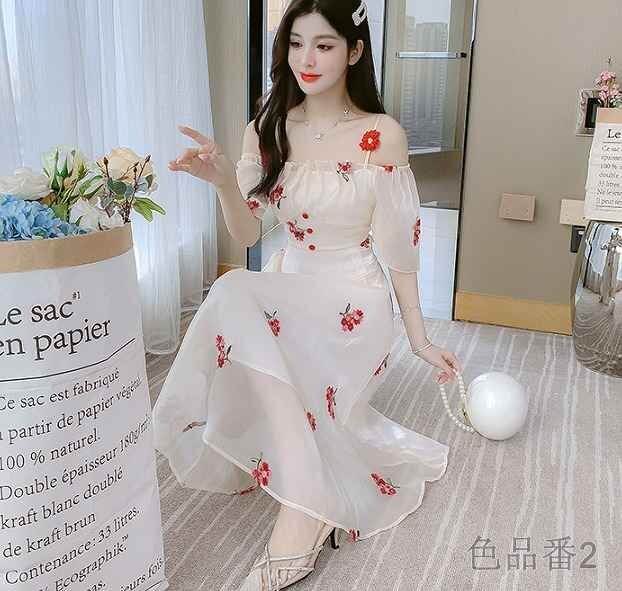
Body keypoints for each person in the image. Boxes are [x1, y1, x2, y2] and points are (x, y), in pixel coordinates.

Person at [153, 1, 463, 589]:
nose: (307, 59)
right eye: (296, 44)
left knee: (237, 295)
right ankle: (311, 493)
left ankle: (301, 513)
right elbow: (248, 233)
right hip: (288, 287)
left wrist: (420, 338)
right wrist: (222, 182)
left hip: (354, 302)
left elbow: (400, 251)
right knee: (238, 292)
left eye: (324, 45)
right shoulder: (266, 126)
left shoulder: (382, 135)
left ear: (355, 51)